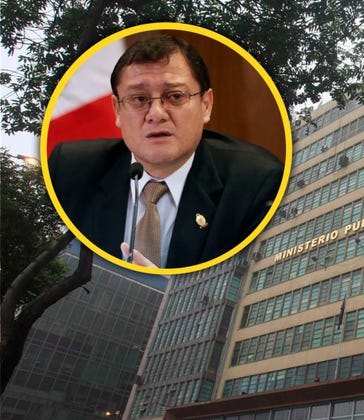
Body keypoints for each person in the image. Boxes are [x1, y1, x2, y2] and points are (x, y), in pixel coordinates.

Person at [48, 34, 283, 268]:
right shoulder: (68, 169)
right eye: (139, 99)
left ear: (206, 105)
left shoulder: (257, 184)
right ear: (117, 110)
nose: (156, 114)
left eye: (175, 96)